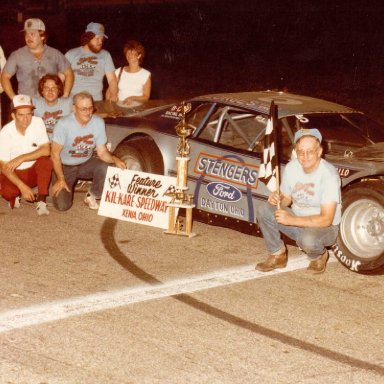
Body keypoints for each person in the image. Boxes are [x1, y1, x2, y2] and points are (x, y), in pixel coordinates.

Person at [255, 128, 341, 274]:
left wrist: (291, 220)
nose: (305, 156)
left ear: (319, 152)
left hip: (325, 228)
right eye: (301, 151)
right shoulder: (291, 168)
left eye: (310, 151)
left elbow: (326, 219)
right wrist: (278, 199)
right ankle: (277, 254)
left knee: (307, 240)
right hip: (297, 218)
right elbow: (287, 198)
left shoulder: (329, 175)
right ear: (295, 151)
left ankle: (318, 256)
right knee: (264, 210)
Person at [51, 91, 126, 211]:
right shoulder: (63, 124)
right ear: (74, 108)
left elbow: (102, 152)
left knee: (106, 166)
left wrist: (115, 159)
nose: (88, 112)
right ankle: (54, 180)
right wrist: (60, 178)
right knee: (62, 206)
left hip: (85, 162)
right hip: (65, 167)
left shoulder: (98, 122)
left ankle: (92, 194)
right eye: (83, 109)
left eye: (90, 108)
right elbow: (54, 155)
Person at [0, 94, 52, 215]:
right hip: (15, 172)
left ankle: (42, 200)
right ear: (13, 116)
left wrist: (21, 158)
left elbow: (46, 150)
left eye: (29, 114)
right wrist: (22, 187)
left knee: (46, 161)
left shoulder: (38, 122)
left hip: (33, 170)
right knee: (7, 193)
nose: (26, 118)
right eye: (21, 115)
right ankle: (17, 194)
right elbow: (4, 167)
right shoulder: (5, 132)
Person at [1, 18, 73, 100]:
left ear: (42, 36)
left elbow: (69, 73)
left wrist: (65, 95)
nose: (28, 37)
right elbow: (4, 76)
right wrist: (13, 98)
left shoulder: (55, 53)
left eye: (32, 34)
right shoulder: (17, 55)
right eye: (26, 34)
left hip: (50, 103)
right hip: (27, 105)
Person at [65, 22, 118, 106]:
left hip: (96, 102)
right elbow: (61, 77)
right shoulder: (71, 54)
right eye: (97, 38)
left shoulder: (105, 55)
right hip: (73, 103)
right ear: (88, 37)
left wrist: (114, 94)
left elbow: (112, 80)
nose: (100, 42)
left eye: (102, 39)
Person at [107, 40, 151, 107]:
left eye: (133, 53)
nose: (130, 55)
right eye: (128, 53)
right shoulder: (119, 71)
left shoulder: (145, 74)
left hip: (137, 110)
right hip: (119, 109)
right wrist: (109, 102)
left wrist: (133, 98)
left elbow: (146, 97)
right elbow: (109, 91)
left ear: (139, 56)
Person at [33, 74, 72, 139]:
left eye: (54, 88)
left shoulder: (69, 103)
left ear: (58, 90)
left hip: (62, 143)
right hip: (42, 143)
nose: (50, 91)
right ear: (42, 90)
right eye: (46, 88)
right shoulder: (34, 103)